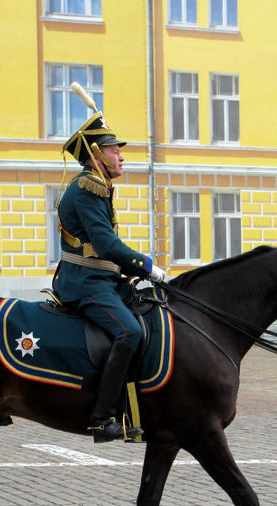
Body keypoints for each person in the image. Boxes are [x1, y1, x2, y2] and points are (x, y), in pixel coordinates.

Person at [53, 110, 166, 443]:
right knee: (129, 332)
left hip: (101, 281)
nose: (121, 155)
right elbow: (105, 244)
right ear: (95, 155)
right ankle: (102, 418)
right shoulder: (88, 187)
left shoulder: (97, 186)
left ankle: (134, 410)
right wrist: (145, 265)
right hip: (84, 284)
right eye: (114, 149)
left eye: (118, 149)